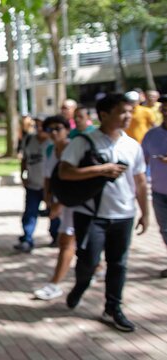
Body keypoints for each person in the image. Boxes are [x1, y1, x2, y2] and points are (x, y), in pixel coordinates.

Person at [60, 93, 149, 332]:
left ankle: (113, 308)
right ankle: (81, 285)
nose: (128, 116)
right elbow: (65, 173)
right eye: (122, 112)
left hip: (124, 215)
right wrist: (101, 170)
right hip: (90, 215)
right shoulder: (83, 142)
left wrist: (145, 213)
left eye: (130, 111)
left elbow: (140, 181)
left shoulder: (132, 145)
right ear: (104, 114)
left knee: (118, 264)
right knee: (88, 261)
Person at [33, 116, 74, 300]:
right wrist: (48, 196)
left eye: (58, 128)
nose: (54, 133)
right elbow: (48, 176)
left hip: (78, 204)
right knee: (74, 242)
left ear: (67, 129)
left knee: (66, 242)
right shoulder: (51, 150)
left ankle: (54, 284)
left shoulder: (75, 148)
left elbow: (77, 182)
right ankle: (96, 268)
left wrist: (61, 202)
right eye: (50, 129)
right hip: (61, 202)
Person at [15, 118, 60, 253]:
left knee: (54, 213)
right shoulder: (29, 139)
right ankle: (27, 239)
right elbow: (24, 159)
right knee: (30, 212)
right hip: (33, 185)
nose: (39, 129)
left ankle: (56, 236)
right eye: (37, 126)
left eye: (42, 126)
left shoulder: (53, 142)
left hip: (52, 186)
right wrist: (23, 174)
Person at [141, 96, 167, 278]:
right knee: (165, 230)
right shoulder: (152, 135)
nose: (165, 112)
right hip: (159, 192)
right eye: (163, 109)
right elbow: (141, 162)